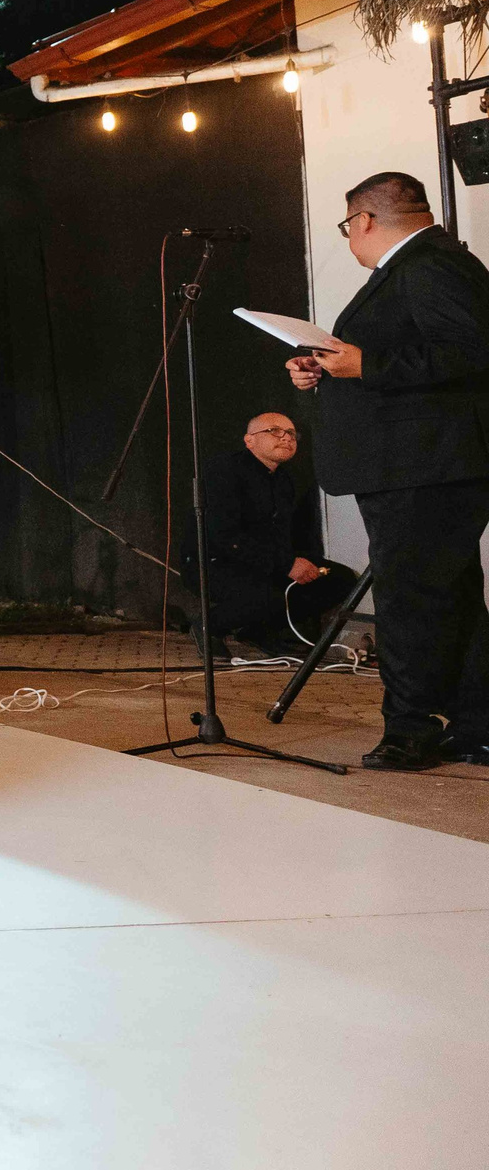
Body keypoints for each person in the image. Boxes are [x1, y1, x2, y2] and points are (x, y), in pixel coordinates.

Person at [289, 170, 489, 770]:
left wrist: (365, 364)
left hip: (425, 466)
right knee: (448, 598)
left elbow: (475, 351)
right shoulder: (430, 264)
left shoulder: (427, 265)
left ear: (365, 221)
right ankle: (475, 724)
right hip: (423, 463)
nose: (351, 238)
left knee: (410, 601)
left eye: (349, 226)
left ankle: (411, 729)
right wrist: (328, 368)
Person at [199, 412, 355, 655]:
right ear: (249, 440)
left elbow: (281, 535)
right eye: (274, 431)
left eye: (292, 433)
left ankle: (257, 630)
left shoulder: (283, 480)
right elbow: (224, 537)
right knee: (268, 596)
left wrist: (294, 563)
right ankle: (208, 626)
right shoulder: (224, 471)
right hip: (218, 562)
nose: (286, 438)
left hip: (265, 561)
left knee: (340, 579)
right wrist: (286, 564)